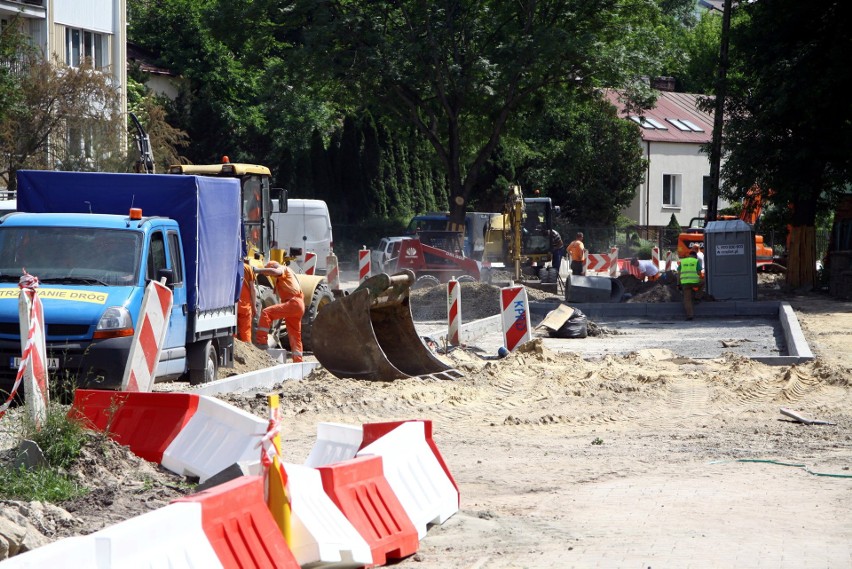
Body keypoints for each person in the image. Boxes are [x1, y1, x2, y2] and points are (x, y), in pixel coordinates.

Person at [253, 260, 305, 362]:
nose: (271, 276)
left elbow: (276, 272)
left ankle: (262, 342)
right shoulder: (289, 274)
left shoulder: (283, 269)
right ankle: (298, 360)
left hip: (293, 303)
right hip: (298, 304)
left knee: (266, 313)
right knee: (294, 334)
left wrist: (258, 270)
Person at [678, 247, 703, 321]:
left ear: (689, 255)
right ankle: (697, 296)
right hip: (695, 282)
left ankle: (690, 315)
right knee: (704, 282)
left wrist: (678, 284)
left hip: (685, 283)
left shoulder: (683, 261)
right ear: (695, 256)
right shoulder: (696, 261)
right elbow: (699, 273)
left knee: (687, 300)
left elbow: (678, 274)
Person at [235, 258, 257, 343]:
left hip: (233, 306)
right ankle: (247, 354)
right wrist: (254, 306)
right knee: (246, 333)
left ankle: (232, 353)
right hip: (245, 306)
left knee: (232, 334)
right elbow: (253, 289)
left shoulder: (231, 267)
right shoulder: (248, 268)